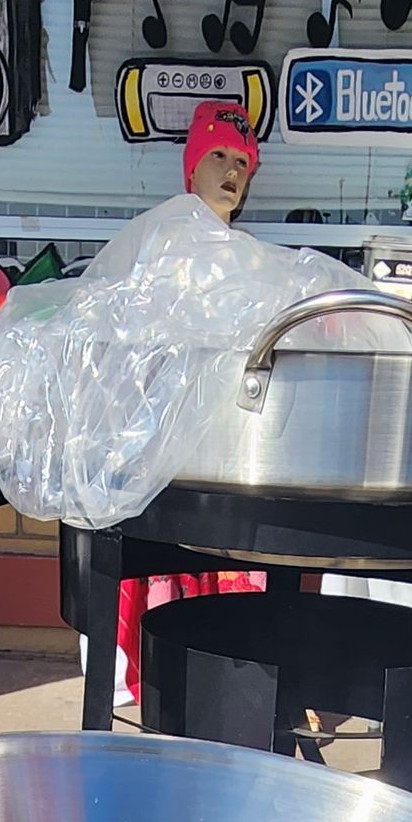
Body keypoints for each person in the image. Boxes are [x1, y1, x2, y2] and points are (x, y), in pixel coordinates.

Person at [108, 100, 270, 715]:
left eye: (242, 163)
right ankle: (166, 682)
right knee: (169, 565)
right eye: (219, 157)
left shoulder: (250, 258)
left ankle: (234, 682)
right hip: (167, 442)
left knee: (228, 565)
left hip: (230, 443)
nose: (231, 172)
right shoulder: (160, 244)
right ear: (192, 168)